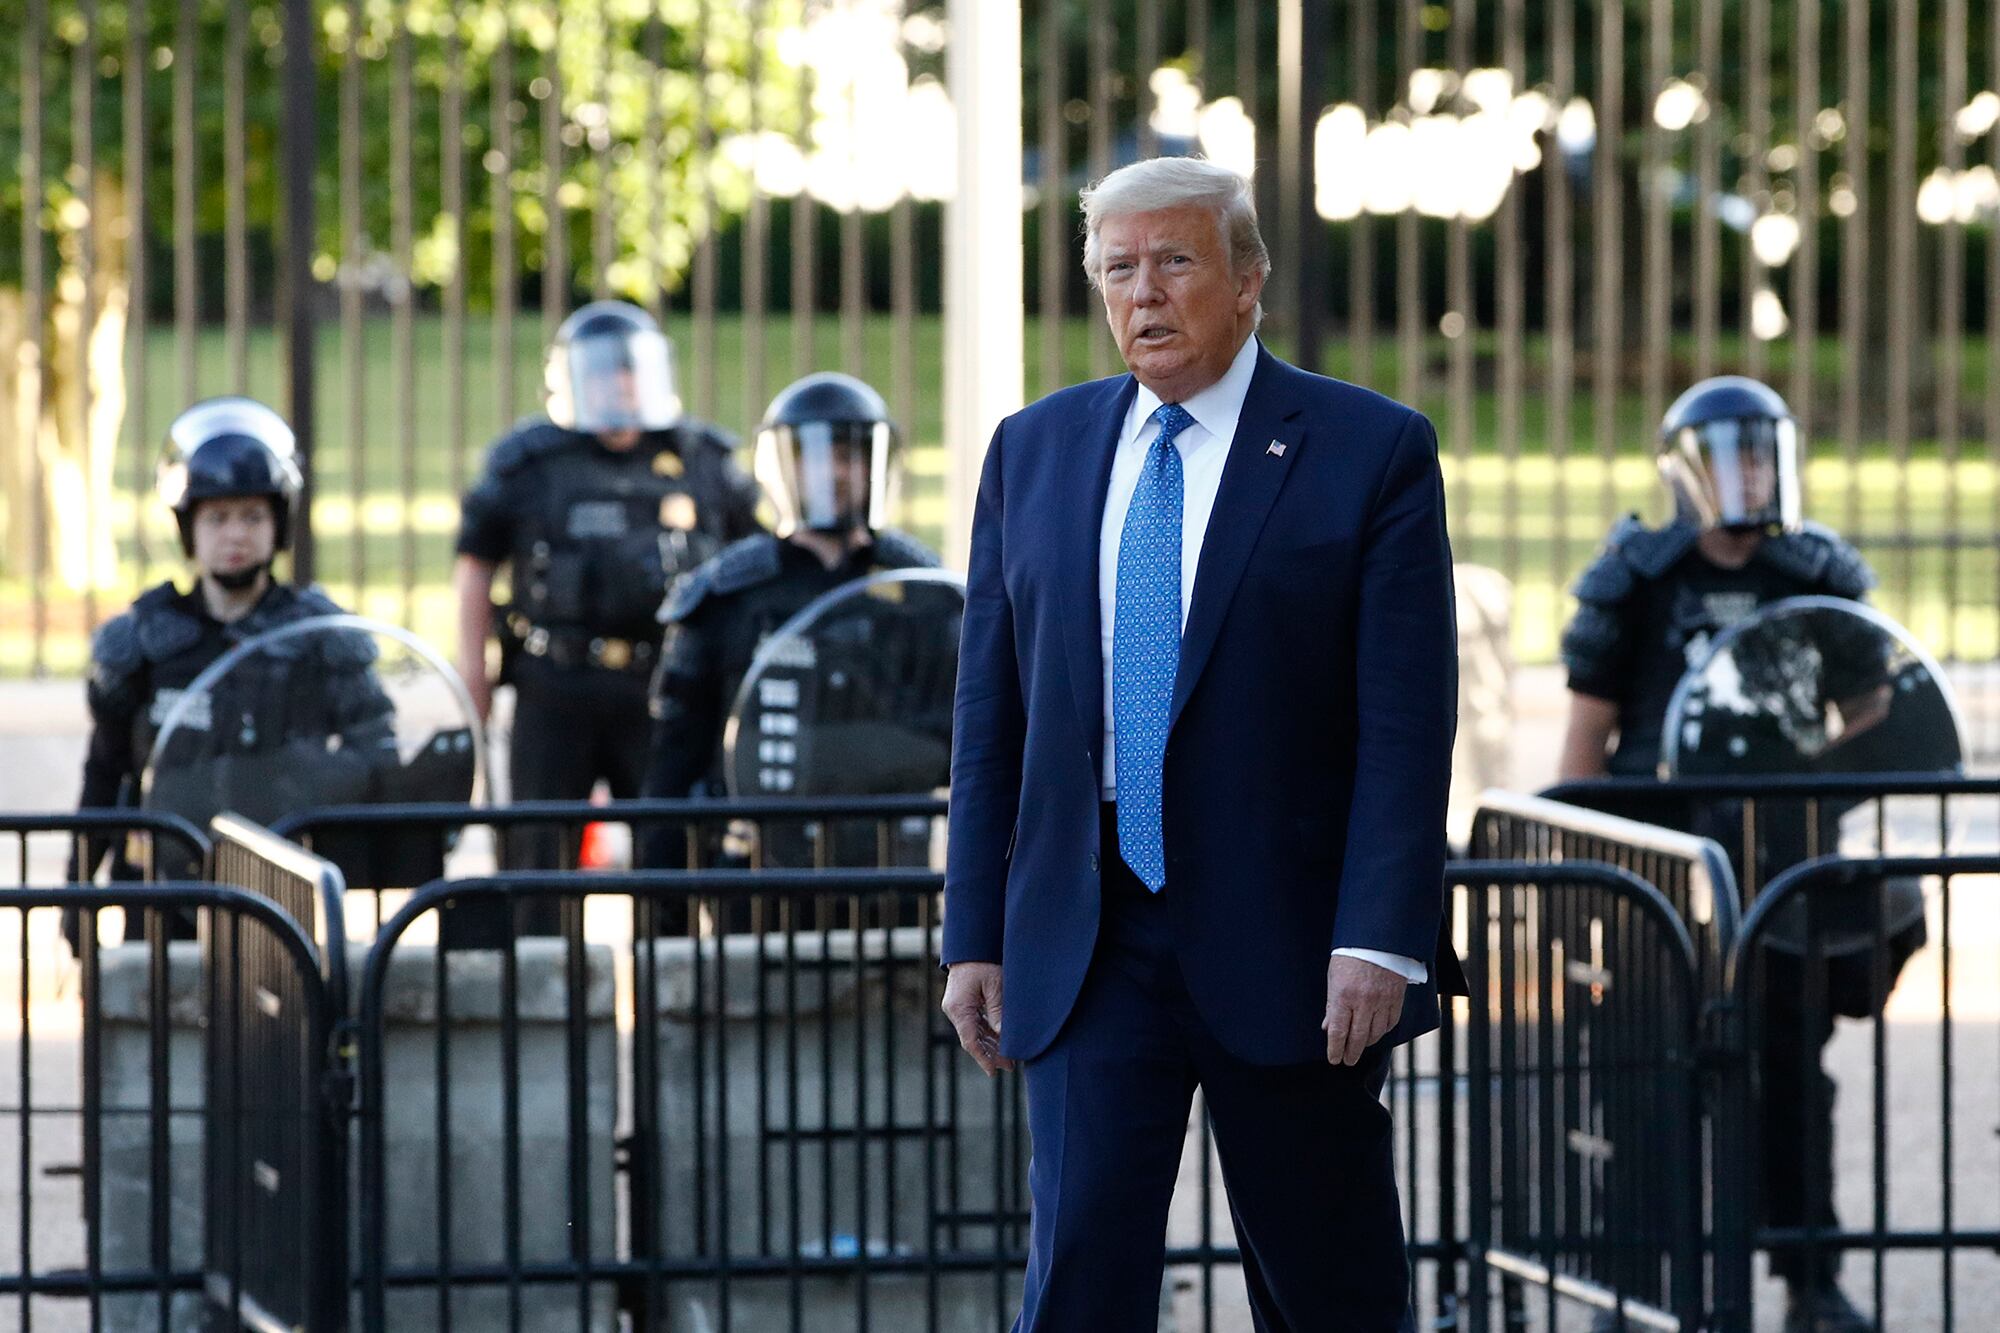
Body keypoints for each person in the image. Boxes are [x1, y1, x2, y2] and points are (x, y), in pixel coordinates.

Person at [940, 156, 1463, 1330]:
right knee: (1078, 1279)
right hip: (1088, 934)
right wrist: (972, 931)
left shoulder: (1367, 449)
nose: (1144, 295)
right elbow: (991, 719)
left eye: (1174, 261)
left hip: (1292, 942)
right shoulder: (1034, 450)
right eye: (1116, 269)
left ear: (1247, 279)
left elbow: (1404, 723)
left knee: (1326, 1284)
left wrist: (1377, 937)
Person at [1557, 375, 1901, 1333]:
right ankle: (1635, 1280)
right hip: (1656, 864)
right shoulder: (1636, 575)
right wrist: (1581, 850)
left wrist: (1813, 778)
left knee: (1791, 1073)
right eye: (1732, 452)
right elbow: (1588, 730)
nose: (1750, 469)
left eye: (1762, 449)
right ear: (1689, 466)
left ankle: (1809, 1278)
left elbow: (1875, 707)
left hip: (1779, 864)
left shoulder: (1816, 573)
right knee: (1645, 1071)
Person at [453, 301, 761, 869]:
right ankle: (545, 959)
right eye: (601, 377)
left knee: (669, 858)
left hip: (664, 688)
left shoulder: (701, 461)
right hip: (554, 686)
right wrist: (473, 675)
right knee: (535, 866)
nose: (618, 392)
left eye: (629, 376)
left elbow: (758, 556)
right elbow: (475, 564)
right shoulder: (529, 464)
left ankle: (662, 959)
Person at [73, 396, 394, 941]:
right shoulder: (144, 642)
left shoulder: (318, 638)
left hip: (280, 893)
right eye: (217, 518)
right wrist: (75, 902)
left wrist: (294, 775)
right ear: (188, 528)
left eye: (252, 516)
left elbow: (377, 756)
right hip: (157, 893)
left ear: (279, 524)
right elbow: (105, 774)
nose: (235, 535)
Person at [640, 372, 940, 867]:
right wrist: (664, 915)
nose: (836, 473)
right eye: (815, 457)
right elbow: (675, 761)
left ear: (875, 465)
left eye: (849, 456)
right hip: (760, 871)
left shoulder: (919, 591)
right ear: (783, 468)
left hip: (888, 870)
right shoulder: (727, 595)